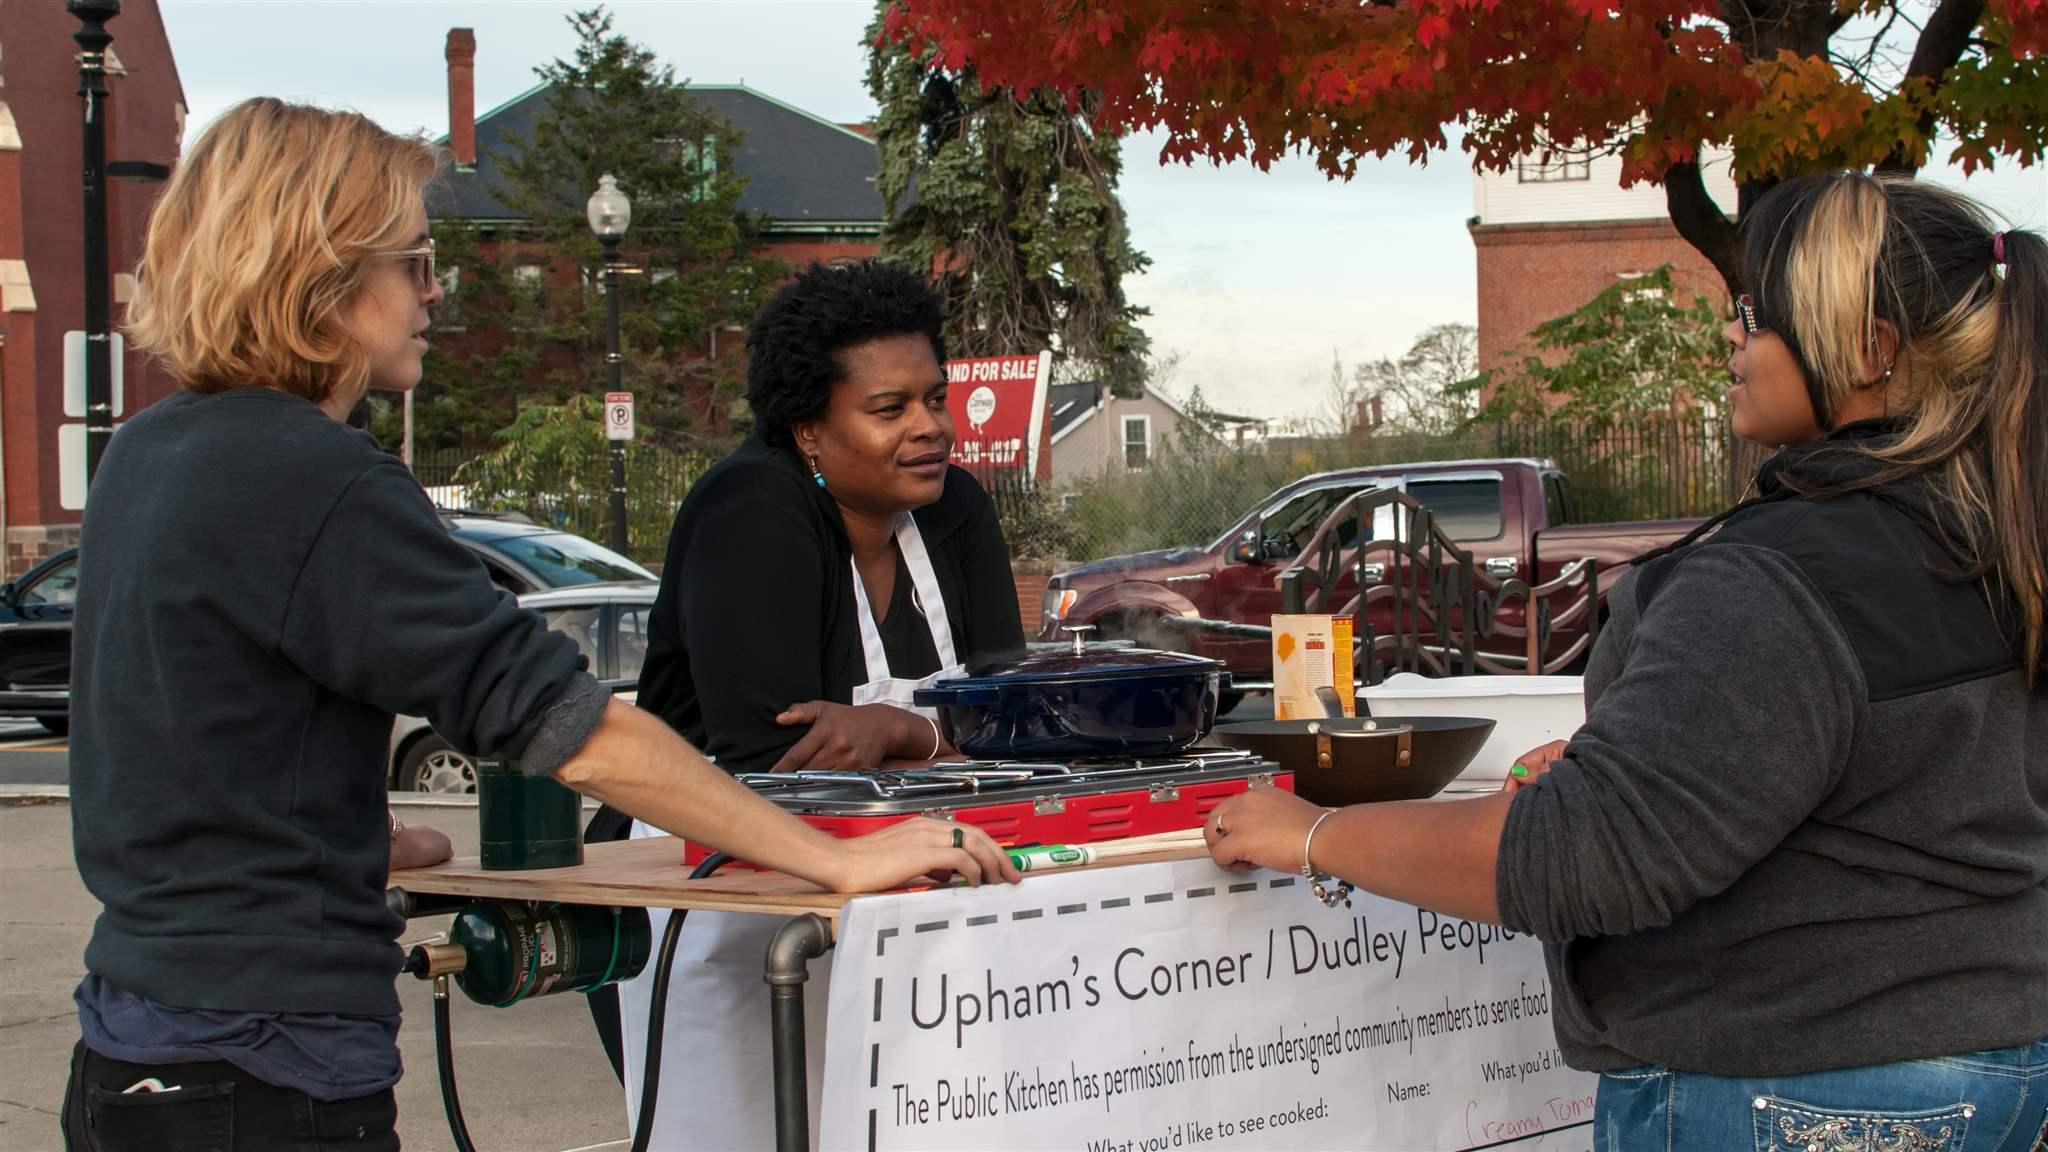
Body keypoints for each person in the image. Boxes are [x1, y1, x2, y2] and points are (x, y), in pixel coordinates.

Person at [60, 99, 1015, 1152]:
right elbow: (573, 730)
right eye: (414, 260)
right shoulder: (315, 476)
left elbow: (176, 728)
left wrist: (339, 841)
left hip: (134, 1049)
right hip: (260, 1072)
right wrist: (831, 860)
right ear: (321, 275)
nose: (435, 289)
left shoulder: (149, 452)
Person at [1202, 172, 2048, 1151]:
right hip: (1994, 1064)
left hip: (1793, 1084)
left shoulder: (1783, 577)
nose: (1728, 338)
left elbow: (1578, 857)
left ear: (1869, 349)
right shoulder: (1989, 539)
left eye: (1754, 313)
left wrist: (1309, 833)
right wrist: (1640, 758)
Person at [589, 259, 1028, 1148]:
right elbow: (774, 755)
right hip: (710, 893)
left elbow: (1013, 710)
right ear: (808, 432)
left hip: (901, 884)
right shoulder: (751, 511)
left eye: (935, 400)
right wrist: (948, 737)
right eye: (889, 408)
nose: (931, 428)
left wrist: (898, 730)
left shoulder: (956, 510)